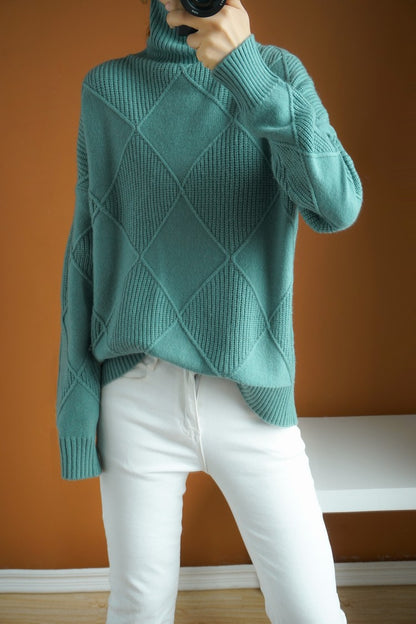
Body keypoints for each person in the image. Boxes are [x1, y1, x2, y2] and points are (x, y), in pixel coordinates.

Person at [56, 0, 363, 622]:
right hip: (136, 394)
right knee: (138, 608)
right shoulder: (107, 89)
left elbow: (337, 206)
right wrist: (76, 410)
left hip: (250, 392)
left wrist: (247, 73)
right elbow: (86, 252)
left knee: (311, 610)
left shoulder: (276, 73)